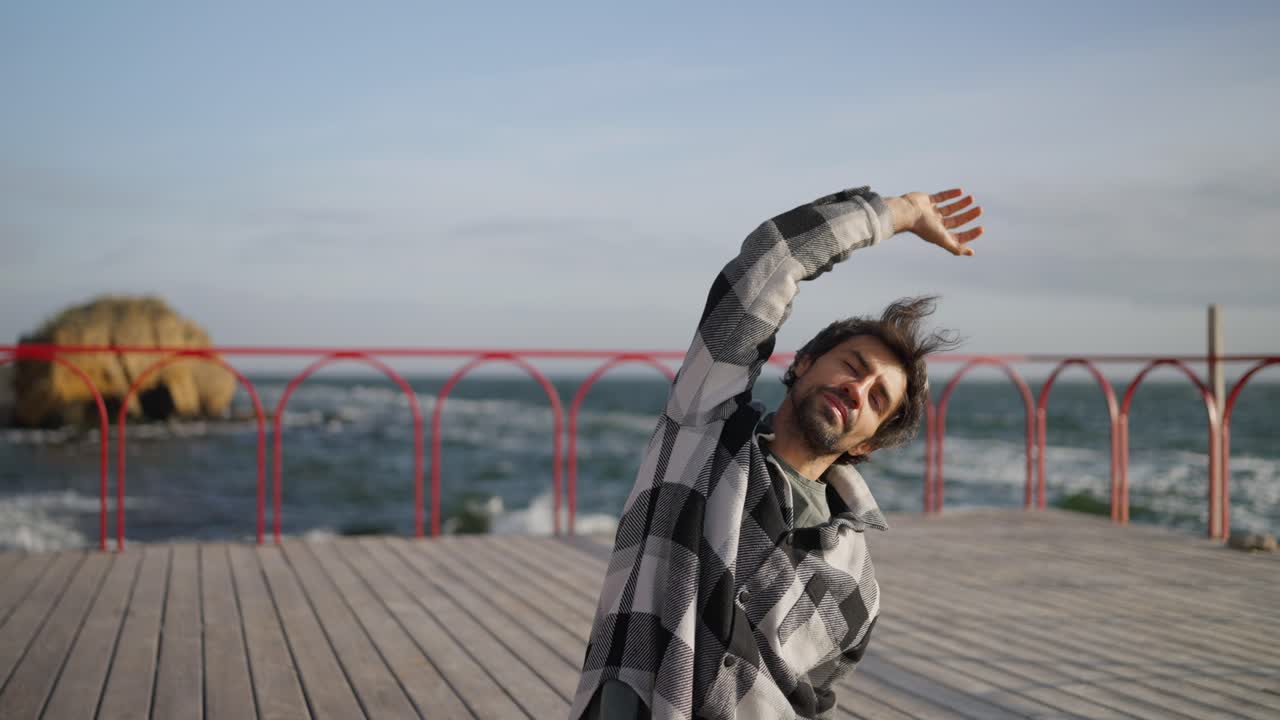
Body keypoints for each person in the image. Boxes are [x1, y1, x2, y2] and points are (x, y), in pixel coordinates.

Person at [571, 185, 984, 720]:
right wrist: (896, 215)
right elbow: (768, 265)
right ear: (805, 363)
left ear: (866, 442)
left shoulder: (859, 586)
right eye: (854, 366)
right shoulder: (703, 434)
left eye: (877, 398)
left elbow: (811, 703)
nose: (858, 390)